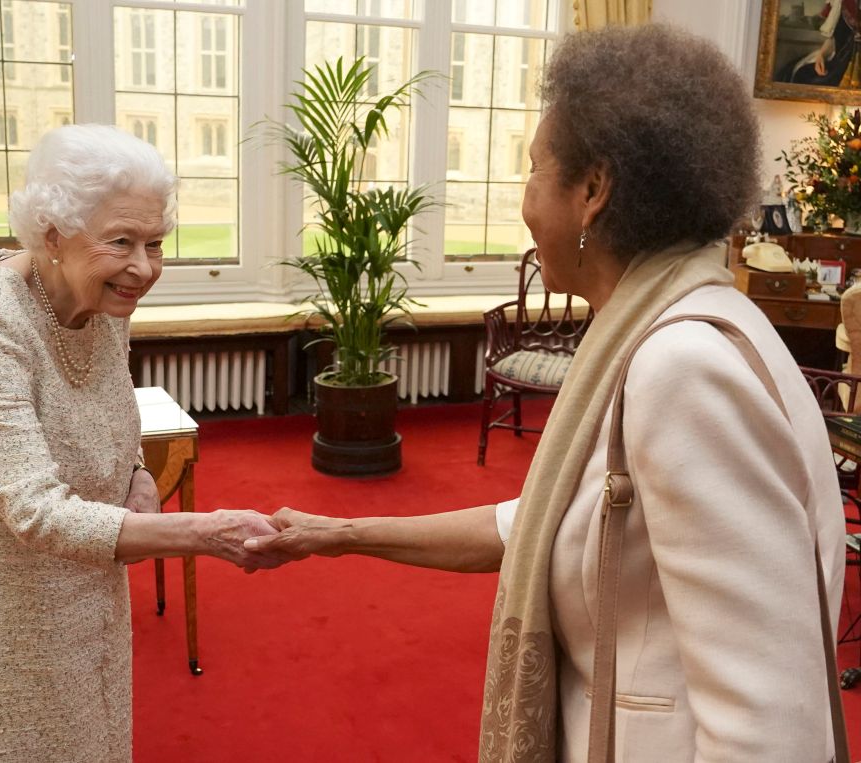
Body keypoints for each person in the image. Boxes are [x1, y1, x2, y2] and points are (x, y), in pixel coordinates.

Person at [245, 25, 846, 762]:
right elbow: (549, 522)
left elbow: (770, 728)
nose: (523, 197)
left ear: (592, 191)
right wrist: (341, 536)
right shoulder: (661, 326)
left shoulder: (681, 365)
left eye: (533, 169)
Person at [0, 124, 287, 763]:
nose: (144, 268)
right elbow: (34, 509)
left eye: (156, 243)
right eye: (121, 241)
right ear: (52, 232)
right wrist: (206, 533)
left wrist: (139, 470)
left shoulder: (101, 300)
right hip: (3, 606)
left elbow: (110, 411)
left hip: (90, 589)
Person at [777, 0, 861, 87]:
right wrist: (821, 55)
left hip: (852, 66)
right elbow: (833, 38)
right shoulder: (842, 3)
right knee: (797, 72)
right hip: (840, 60)